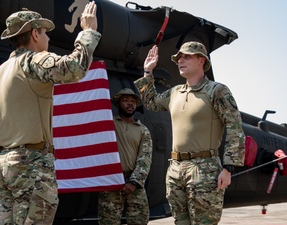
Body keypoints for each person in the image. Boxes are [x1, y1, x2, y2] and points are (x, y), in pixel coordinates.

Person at [0, 2, 101, 225]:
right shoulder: (32, 60)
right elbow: (74, 68)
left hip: (3, 166)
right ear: (35, 33)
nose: (48, 39)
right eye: (45, 33)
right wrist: (88, 32)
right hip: (31, 164)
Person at [134, 42, 245, 225]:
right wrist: (148, 73)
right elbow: (151, 102)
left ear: (201, 60)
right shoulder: (175, 92)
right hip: (176, 169)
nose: (180, 61)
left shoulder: (216, 91)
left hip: (205, 169)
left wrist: (229, 167)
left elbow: (234, 126)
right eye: (179, 58)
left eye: (187, 57)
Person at [97, 88, 153, 225]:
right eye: (125, 100)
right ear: (118, 104)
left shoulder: (142, 130)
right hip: (111, 182)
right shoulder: (108, 125)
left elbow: (145, 158)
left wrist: (134, 182)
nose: (130, 104)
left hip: (135, 185)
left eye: (133, 101)